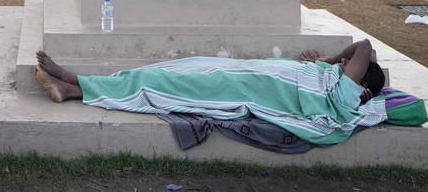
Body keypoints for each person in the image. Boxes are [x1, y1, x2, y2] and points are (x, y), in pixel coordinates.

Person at [33, 39, 386, 146]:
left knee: (167, 84)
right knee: (170, 70)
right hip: (242, 73)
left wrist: (333, 59)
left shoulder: (344, 97)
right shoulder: (327, 78)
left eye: (348, 69)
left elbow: (365, 46)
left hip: (240, 89)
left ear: (361, 87)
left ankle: (73, 82)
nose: (342, 68)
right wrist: (326, 63)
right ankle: (73, 87)